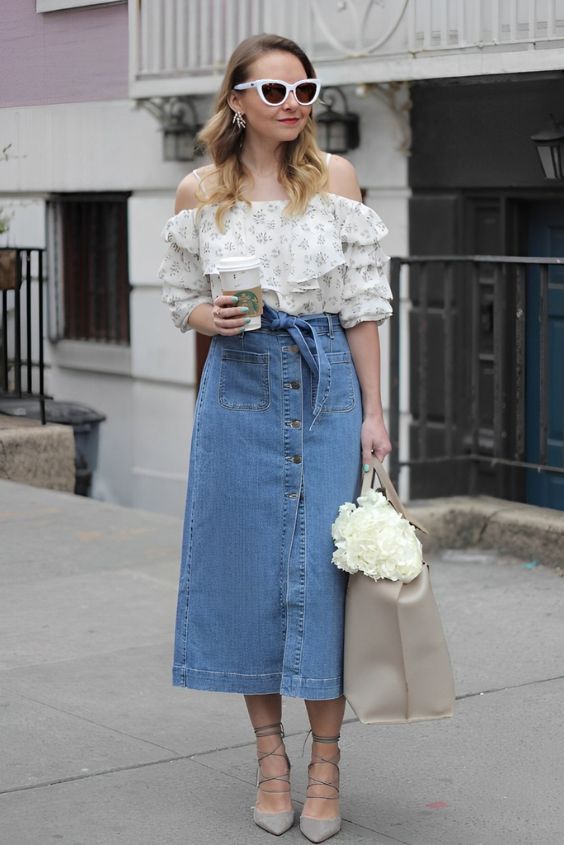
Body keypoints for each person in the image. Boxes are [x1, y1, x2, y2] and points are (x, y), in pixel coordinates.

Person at [159, 33, 392, 843]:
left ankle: (326, 761)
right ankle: (271, 758)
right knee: (248, 572)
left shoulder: (336, 182)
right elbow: (180, 295)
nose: (293, 105)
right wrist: (206, 316)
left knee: (323, 578)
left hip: (324, 376)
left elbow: (361, 304)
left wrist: (373, 411)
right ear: (237, 100)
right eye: (275, 92)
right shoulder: (199, 193)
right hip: (240, 386)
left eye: (306, 90)